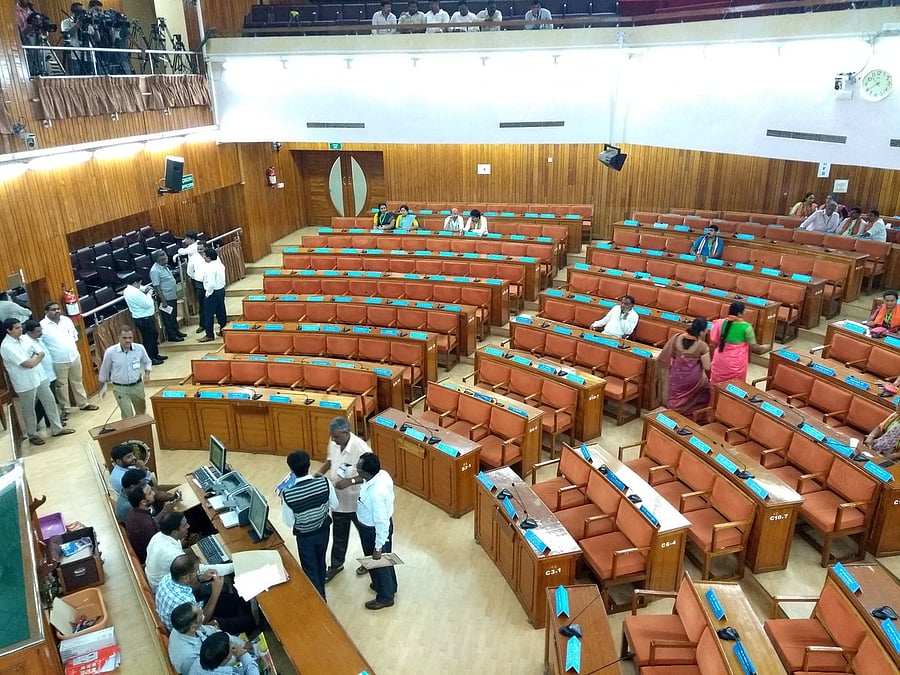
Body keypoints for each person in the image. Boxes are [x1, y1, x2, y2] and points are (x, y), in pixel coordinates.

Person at [0, 318, 74, 445]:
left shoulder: (24, 338)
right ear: (8, 330)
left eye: (20, 327)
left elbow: (41, 353)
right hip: (25, 382)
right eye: (17, 328)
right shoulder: (6, 346)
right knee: (29, 409)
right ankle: (32, 434)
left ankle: (57, 428)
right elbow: (27, 363)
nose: (20, 329)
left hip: (39, 376)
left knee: (50, 401)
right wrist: (34, 358)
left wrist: (34, 358)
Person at [320, 417, 372, 582]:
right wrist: (318, 475)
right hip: (338, 501)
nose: (333, 440)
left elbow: (371, 475)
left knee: (366, 535)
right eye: (332, 436)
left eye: (336, 436)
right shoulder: (334, 441)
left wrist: (349, 481)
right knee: (339, 535)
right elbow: (329, 461)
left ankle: (370, 562)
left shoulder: (361, 449)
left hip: (358, 502)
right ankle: (336, 565)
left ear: (346, 432)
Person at [281, 450, 338, 600]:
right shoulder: (324, 483)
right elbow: (335, 505)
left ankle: (319, 600)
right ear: (309, 465)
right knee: (321, 561)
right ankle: (321, 592)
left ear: (291, 470)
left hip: (305, 537)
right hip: (323, 531)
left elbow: (289, 522)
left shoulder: (287, 493)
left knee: (309, 568)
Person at [156, 553, 255, 634]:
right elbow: (202, 622)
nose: (198, 573)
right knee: (247, 621)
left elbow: (187, 587)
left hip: (193, 614)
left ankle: (243, 611)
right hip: (192, 629)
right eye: (196, 572)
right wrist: (215, 592)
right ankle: (249, 623)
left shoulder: (168, 578)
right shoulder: (185, 602)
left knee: (233, 599)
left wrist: (200, 578)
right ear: (186, 577)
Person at [146, 512, 233, 592]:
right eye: (184, 525)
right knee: (223, 584)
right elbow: (201, 570)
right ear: (175, 531)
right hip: (168, 590)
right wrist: (233, 566)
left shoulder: (157, 536)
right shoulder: (174, 555)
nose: (188, 526)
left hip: (158, 580)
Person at [40, 301, 97, 414]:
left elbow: (75, 337)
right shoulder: (42, 326)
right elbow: (41, 346)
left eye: (58, 309)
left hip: (74, 356)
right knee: (61, 386)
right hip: (58, 361)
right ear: (46, 312)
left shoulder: (66, 320)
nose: (57, 311)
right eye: (53, 309)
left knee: (77, 381)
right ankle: (65, 409)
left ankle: (83, 404)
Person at [356, 453, 397, 610]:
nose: (356, 469)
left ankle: (385, 597)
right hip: (378, 527)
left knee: (378, 562)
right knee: (385, 561)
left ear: (366, 473)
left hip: (374, 531)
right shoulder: (382, 474)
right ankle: (389, 586)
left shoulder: (375, 494)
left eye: (358, 468)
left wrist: (378, 546)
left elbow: (381, 522)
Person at [168, 603, 251, 675]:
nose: (202, 611)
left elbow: (214, 632)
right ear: (193, 627)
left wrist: (242, 644)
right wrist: (240, 653)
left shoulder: (184, 627)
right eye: (200, 615)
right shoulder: (188, 659)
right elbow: (216, 666)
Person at [657, 317, 711, 419]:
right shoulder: (702, 346)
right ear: (702, 331)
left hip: (675, 376)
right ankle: (693, 418)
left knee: (675, 397)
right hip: (692, 380)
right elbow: (707, 366)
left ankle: (672, 416)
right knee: (706, 391)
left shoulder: (676, 338)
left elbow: (669, 355)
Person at [98, 325, 153, 419]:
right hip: (120, 388)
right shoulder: (110, 352)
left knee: (141, 413)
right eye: (124, 338)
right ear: (118, 337)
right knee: (127, 416)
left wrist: (147, 374)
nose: (127, 340)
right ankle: (131, 433)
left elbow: (147, 362)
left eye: (130, 338)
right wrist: (102, 386)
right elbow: (104, 370)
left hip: (137, 386)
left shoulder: (140, 348)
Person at [709, 301, 768, 386]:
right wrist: (764, 347)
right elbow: (755, 347)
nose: (745, 312)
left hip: (720, 359)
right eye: (744, 310)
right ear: (740, 314)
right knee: (734, 386)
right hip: (736, 363)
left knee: (717, 385)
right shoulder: (746, 327)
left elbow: (714, 340)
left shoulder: (720, 323)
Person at [23, 320, 64, 427]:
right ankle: (38, 423)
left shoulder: (38, 338)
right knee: (45, 401)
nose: (40, 333)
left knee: (50, 399)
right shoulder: (26, 342)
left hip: (50, 372)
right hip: (42, 375)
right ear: (29, 332)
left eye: (40, 330)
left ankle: (49, 421)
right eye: (37, 331)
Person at [124, 482, 175, 564]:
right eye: (150, 493)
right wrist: (178, 542)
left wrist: (164, 511)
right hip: (156, 558)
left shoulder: (134, 512)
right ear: (143, 502)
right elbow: (157, 546)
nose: (154, 493)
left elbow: (153, 523)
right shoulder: (143, 524)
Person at [123, 274, 164, 365]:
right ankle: (150, 358)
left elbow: (140, 288)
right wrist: (149, 294)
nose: (140, 285)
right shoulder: (135, 293)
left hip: (144, 318)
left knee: (153, 336)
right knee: (148, 339)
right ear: (134, 283)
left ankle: (155, 354)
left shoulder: (128, 289)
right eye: (139, 283)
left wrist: (145, 288)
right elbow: (148, 304)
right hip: (144, 319)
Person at [151, 250, 186, 342]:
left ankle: (176, 331)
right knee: (167, 318)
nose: (166, 258)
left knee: (173, 316)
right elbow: (156, 287)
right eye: (163, 257)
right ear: (158, 259)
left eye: (166, 256)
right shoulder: (155, 271)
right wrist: (163, 300)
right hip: (165, 298)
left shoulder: (165, 266)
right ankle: (171, 335)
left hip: (172, 295)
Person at [190, 631, 259, 675]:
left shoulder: (198, 662)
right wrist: (243, 654)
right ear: (226, 659)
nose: (233, 645)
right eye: (231, 646)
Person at [199, 248, 227, 343]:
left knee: (208, 314)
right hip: (221, 290)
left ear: (209, 257)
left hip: (213, 292)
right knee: (221, 311)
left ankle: (209, 334)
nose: (203, 257)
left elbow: (211, 284)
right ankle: (223, 330)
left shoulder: (209, 268)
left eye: (205, 256)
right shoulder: (220, 264)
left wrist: (207, 294)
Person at [186, 238, 208, 335]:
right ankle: (202, 325)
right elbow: (189, 272)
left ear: (206, 248)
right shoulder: (194, 258)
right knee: (202, 305)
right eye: (198, 249)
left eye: (201, 249)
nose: (200, 251)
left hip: (211, 283)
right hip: (199, 284)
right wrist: (197, 278)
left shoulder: (210, 255)